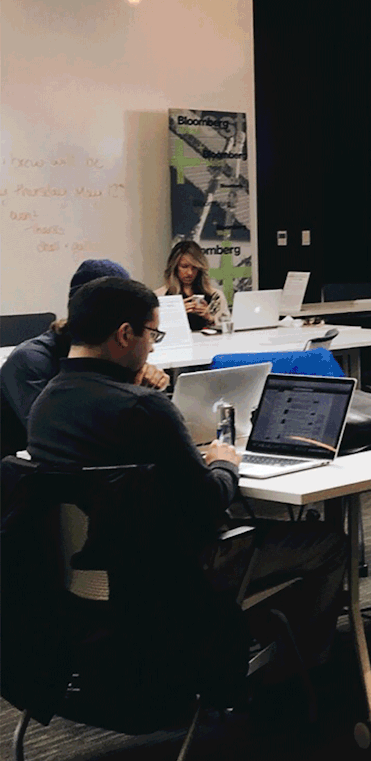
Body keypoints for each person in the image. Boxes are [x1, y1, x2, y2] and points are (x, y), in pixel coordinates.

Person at [25, 277, 346, 662]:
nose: (151, 347)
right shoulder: (143, 409)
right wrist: (225, 462)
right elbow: (209, 499)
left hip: (92, 570)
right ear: (125, 334)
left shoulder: (44, 405)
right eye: (152, 335)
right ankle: (297, 667)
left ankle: (257, 639)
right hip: (177, 568)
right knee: (329, 543)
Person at [2, 259, 169, 457]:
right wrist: (132, 392)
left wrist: (140, 385)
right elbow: (58, 437)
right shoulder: (30, 361)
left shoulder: (111, 354)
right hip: (24, 468)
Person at [157, 239, 232, 331]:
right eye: (184, 267)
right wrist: (176, 314)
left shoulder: (215, 296)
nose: (190, 273)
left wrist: (210, 318)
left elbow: (227, 328)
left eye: (195, 268)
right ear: (174, 267)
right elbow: (154, 330)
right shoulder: (160, 296)